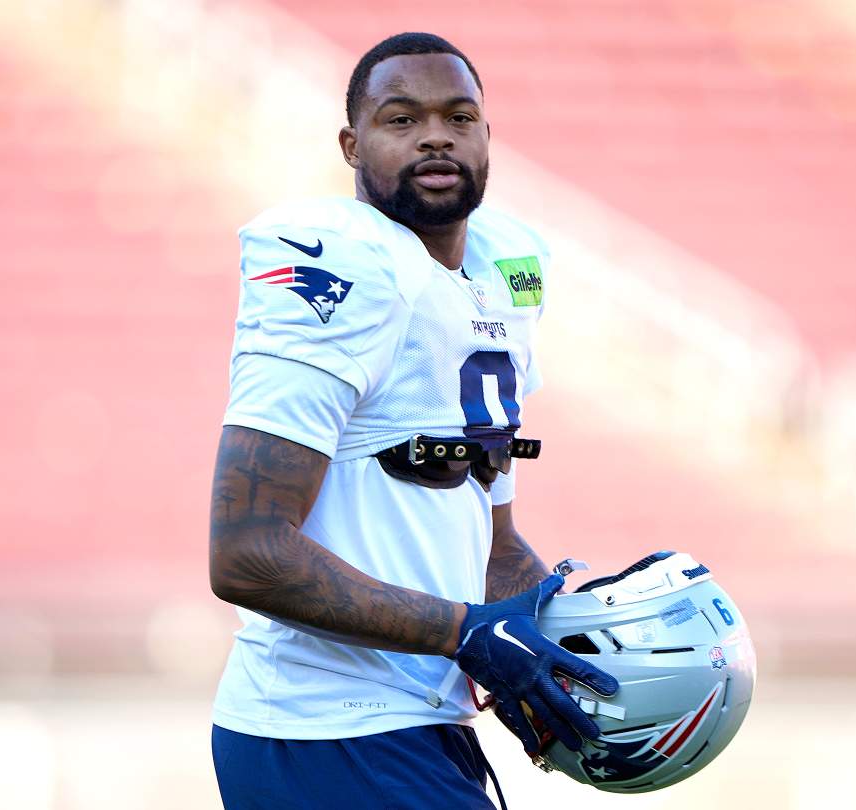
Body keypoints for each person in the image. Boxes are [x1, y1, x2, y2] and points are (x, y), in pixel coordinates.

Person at [208, 32, 618, 809]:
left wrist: (567, 650)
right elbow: (246, 554)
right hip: (323, 729)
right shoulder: (343, 265)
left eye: (458, 117)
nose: (436, 136)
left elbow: (494, 546)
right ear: (351, 144)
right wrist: (467, 634)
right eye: (402, 119)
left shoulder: (503, 269)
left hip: (423, 724)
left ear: (487, 136)